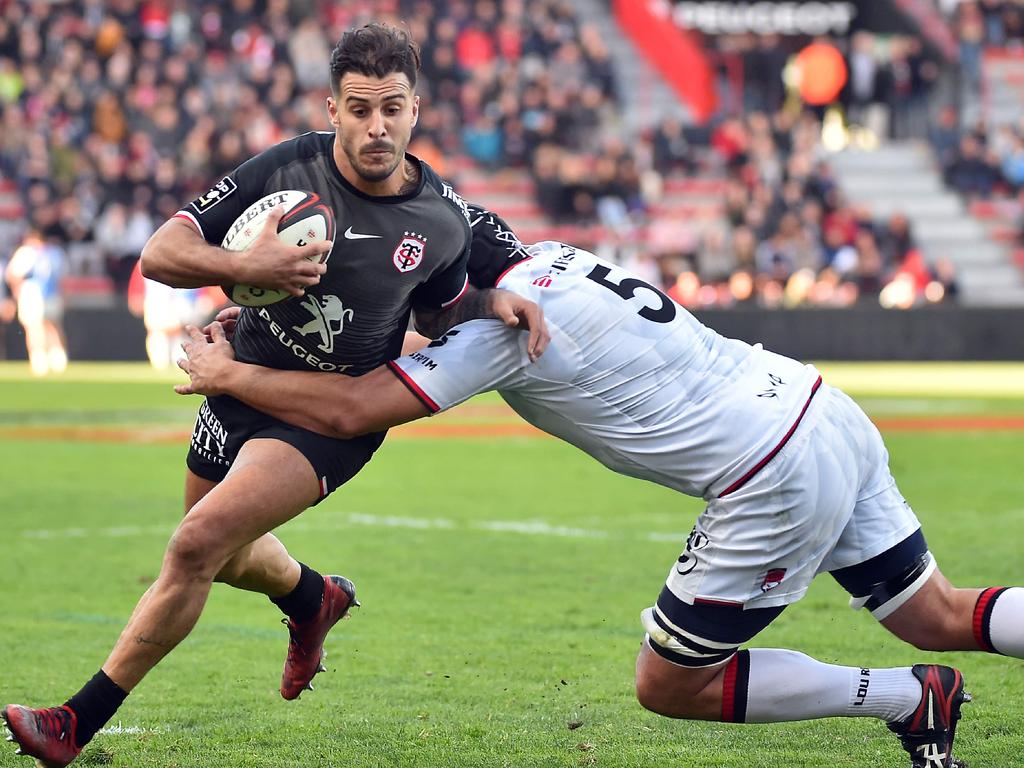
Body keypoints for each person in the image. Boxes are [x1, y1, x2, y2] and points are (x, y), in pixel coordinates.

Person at [174, 207, 1020, 768]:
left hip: (769, 469)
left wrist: (233, 371)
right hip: (815, 403)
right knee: (934, 613)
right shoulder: (555, 260)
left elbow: (357, 408)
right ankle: (923, 684)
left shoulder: (494, 328)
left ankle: (909, 697)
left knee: (671, 684)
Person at [1, 24, 546, 768]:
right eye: (359, 108)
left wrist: (493, 306)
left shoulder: (440, 221)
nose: (376, 126)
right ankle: (310, 597)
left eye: (392, 107)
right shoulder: (287, 167)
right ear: (332, 110)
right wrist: (242, 261)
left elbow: (437, 313)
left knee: (195, 544)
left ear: (417, 108)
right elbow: (161, 253)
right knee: (223, 556)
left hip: (326, 418)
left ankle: (73, 722)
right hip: (240, 378)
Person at [4, 229, 67, 376]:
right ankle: (53, 357)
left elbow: (12, 274)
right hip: (46, 293)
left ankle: (45, 357)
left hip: (34, 293)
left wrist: (16, 291)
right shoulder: (54, 252)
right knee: (47, 326)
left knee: (40, 327)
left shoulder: (28, 252)